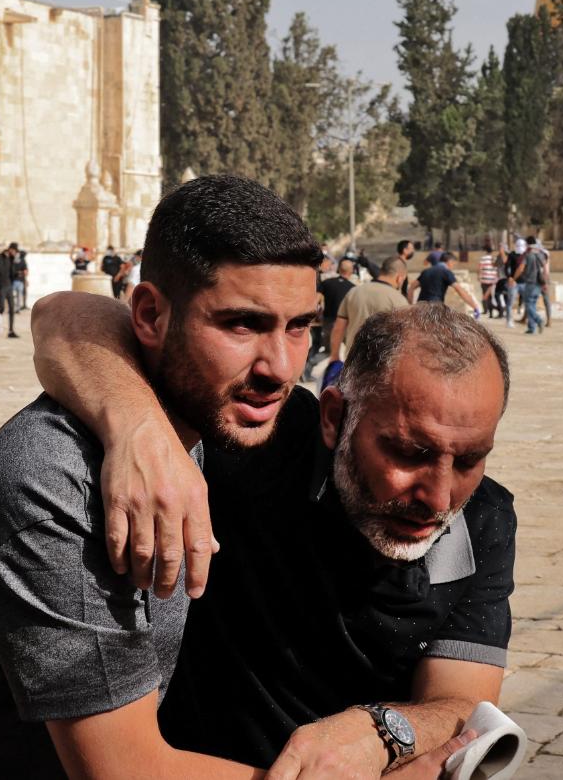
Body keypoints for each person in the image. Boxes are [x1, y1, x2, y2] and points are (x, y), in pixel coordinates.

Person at [0, 176, 475, 778]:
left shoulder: (217, 421)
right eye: (241, 324)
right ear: (149, 315)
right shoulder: (52, 484)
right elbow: (123, 771)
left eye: (299, 326)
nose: (282, 368)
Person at [30, 298, 514, 775]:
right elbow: (62, 317)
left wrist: (379, 733)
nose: (439, 495)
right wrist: (139, 430)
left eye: (470, 460)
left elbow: (465, 705)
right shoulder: (259, 444)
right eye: (410, 453)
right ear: (333, 417)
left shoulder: (482, 519)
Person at [327, 255, 409, 367]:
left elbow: (338, 328)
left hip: (353, 362)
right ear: (399, 277)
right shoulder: (399, 300)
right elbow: (405, 337)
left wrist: (334, 356)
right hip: (383, 364)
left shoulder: (354, 292)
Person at [306, 257, 356, 382]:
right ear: (351, 271)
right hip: (345, 324)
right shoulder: (353, 288)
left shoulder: (327, 283)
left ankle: (307, 368)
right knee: (352, 351)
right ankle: (352, 378)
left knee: (329, 350)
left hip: (328, 323)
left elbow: (315, 301)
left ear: (339, 269)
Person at [413, 252, 480, 317]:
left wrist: (411, 305)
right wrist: (475, 307)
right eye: (453, 263)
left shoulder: (426, 271)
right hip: (434, 307)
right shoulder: (446, 272)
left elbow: (411, 288)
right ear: (449, 261)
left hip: (419, 307)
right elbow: (460, 290)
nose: (453, 266)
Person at [513, 235, 548, 334]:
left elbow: (521, 268)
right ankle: (531, 328)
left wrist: (514, 278)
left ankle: (538, 320)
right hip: (539, 283)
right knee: (532, 304)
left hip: (530, 283)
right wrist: (545, 282)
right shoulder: (540, 254)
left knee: (528, 304)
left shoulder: (528, 255)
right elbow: (545, 268)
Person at [0, 243, 23, 338]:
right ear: (10, 249)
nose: (15, 253)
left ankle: (11, 331)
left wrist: (18, 274)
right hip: (0, 287)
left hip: (9, 287)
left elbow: (11, 273)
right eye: (15, 251)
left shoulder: (12, 259)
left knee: (12, 309)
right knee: (1, 308)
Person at [478, 247, 498, 315]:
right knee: (490, 296)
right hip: (492, 280)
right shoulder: (494, 258)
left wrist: (479, 277)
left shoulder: (483, 258)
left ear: (485, 251)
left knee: (484, 295)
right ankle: (491, 311)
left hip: (484, 279)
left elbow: (480, 268)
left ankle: (485, 310)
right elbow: (496, 269)